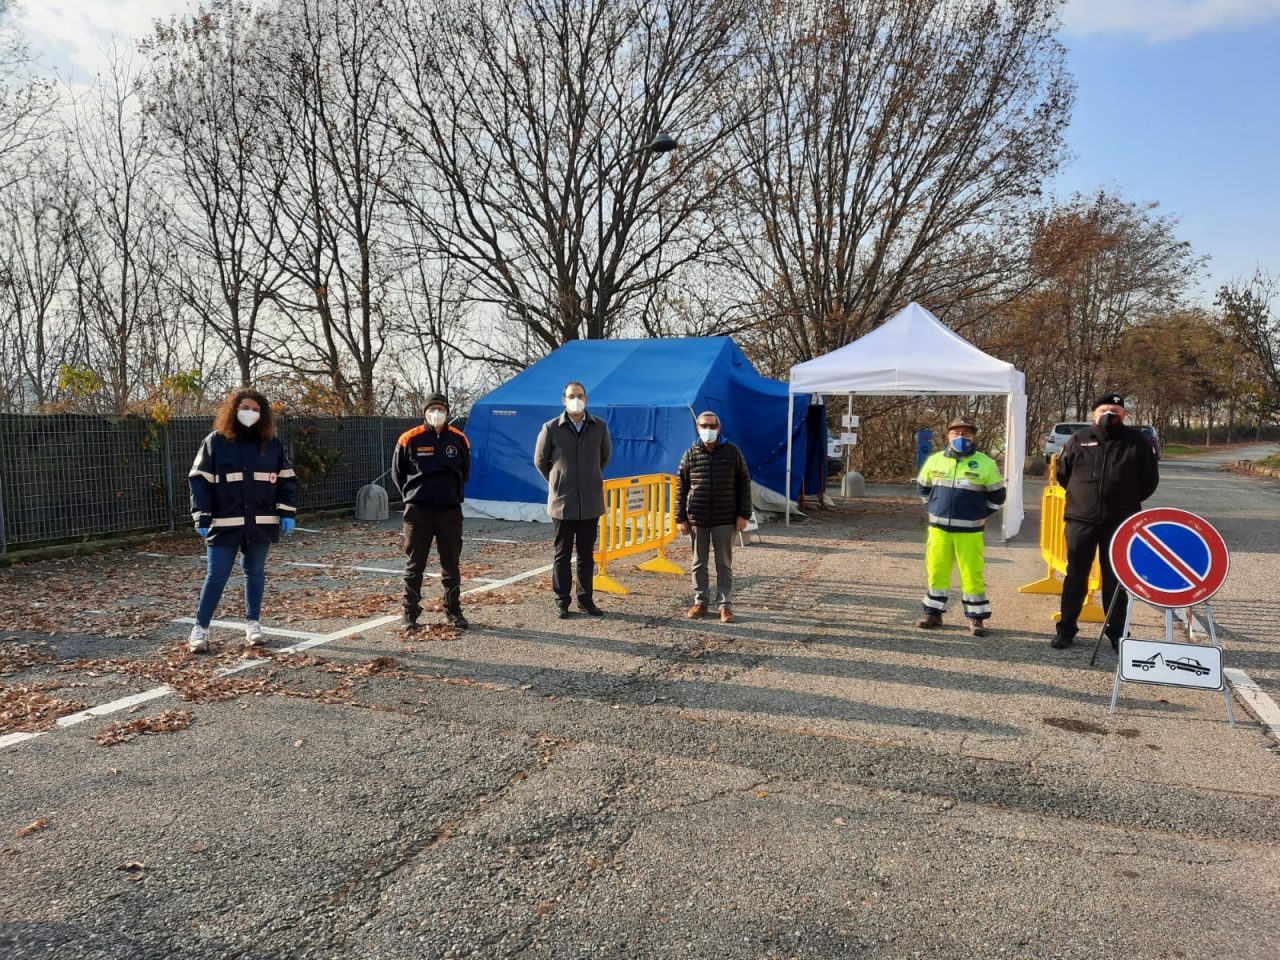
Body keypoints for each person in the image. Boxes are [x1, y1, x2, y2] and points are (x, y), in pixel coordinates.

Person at [187, 387, 297, 653]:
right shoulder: (216, 441)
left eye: (256, 410)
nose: (251, 413)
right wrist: (202, 515)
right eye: (245, 408)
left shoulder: (272, 444)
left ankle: (253, 624)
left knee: (255, 573)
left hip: (260, 522)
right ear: (233, 410)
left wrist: (286, 512)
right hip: (224, 523)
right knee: (216, 576)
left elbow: (286, 480)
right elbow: (199, 481)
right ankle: (200, 628)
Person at [1051, 393, 1159, 650]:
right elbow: (1064, 473)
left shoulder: (1137, 441)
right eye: (1104, 410)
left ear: (1124, 415)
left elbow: (1149, 480)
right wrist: (1082, 497)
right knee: (1075, 576)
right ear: (1094, 414)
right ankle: (1066, 630)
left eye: (1116, 411)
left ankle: (1118, 634)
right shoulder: (1080, 438)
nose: (1110, 415)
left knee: (1115, 579)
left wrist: (1125, 499)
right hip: (1080, 519)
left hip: (1120, 522)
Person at [915, 417, 1006, 637]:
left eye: (966, 433)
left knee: (971, 574)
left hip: (969, 531)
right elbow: (923, 488)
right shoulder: (935, 460)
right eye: (956, 433)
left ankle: (976, 618)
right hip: (939, 530)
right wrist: (935, 508)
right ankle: (933, 613)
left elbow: (998, 496)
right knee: (936, 571)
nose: (961, 437)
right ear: (948, 436)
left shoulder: (985, 463)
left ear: (973, 436)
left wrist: (979, 513)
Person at [533, 381, 611, 618]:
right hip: (562, 504)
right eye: (571, 396)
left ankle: (586, 599)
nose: (575, 400)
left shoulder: (599, 426)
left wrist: (590, 477)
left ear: (586, 399)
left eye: (579, 395)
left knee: (586, 555)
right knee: (562, 554)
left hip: (590, 502)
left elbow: (605, 457)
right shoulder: (551, 428)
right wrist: (557, 481)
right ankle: (562, 600)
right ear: (563, 400)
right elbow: (540, 460)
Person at [394, 393, 471, 631]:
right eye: (432, 409)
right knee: (415, 564)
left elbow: (464, 473)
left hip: (449, 511)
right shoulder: (409, 438)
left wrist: (450, 493)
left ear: (447, 412)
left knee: (451, 564)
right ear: (425, 412)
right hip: (418, 512)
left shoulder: (459, 439)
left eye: (441, 409)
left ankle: (453, 610)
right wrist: (414, 495)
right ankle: (410, 612)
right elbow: (398, 474)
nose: (436, 413)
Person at [676, 411, 752, 624]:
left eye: (712, 426)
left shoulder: (732, 452)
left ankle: (725, 606)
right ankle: (700, 602)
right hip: (698, 519)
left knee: (724, 564)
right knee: (698, 563)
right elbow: (681, 486)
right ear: (697, 428)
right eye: (704, 426)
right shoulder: (690, 453)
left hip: (725, 518)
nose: (708, 430)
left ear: (719, 427)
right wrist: (680, 518)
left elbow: (744, 483)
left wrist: (743, 514)